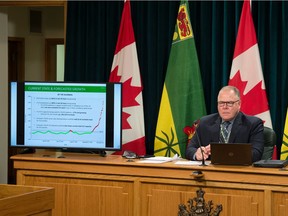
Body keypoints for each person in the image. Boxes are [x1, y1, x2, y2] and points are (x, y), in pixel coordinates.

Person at [186, 85, 264, 163]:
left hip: (238, 172)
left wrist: (221, 151)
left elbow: (256, 154)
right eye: (221, 103)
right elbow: (190, 149)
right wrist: (197, 154)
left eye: (229, 103)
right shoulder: (205, 122)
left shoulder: (253, 124)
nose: (225, 107)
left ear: (239, 104)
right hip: (211, 172)